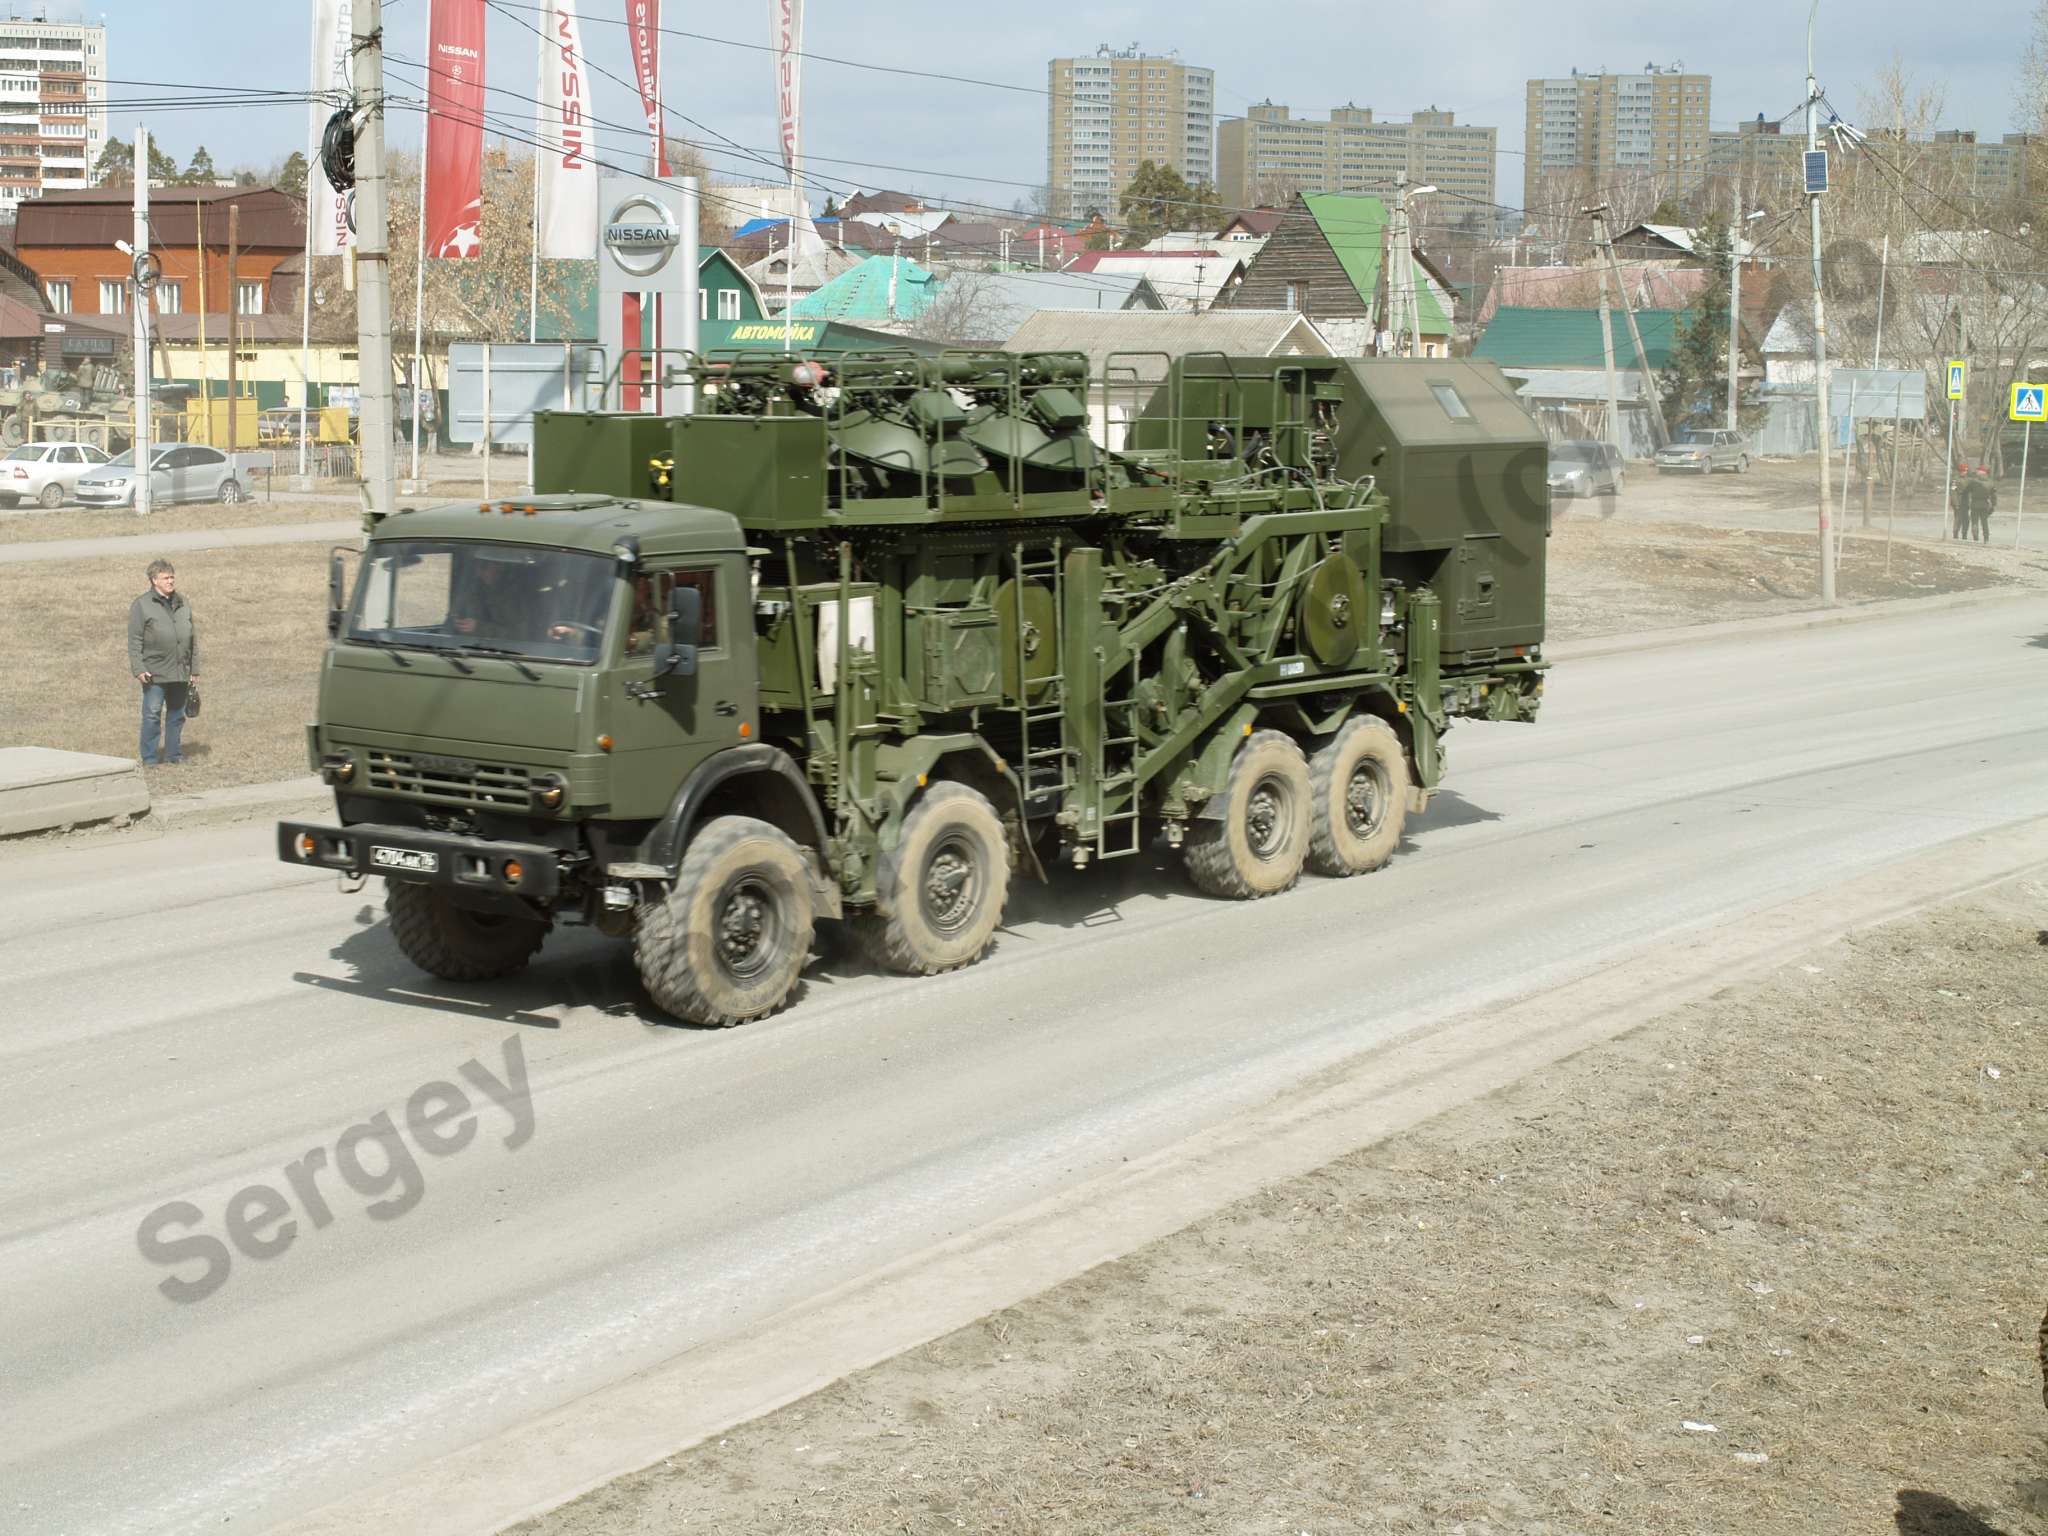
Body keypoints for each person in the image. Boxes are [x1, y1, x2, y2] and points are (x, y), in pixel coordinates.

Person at [128, 558, 198, 766]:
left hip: (180, 671)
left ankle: (173, 754)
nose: (170, 581)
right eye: (165, 577)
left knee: (177, 715)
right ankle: (149, 757)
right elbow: (134, 640)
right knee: (152, 714)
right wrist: (139, 668)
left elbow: (192, 638)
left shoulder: (183, 602)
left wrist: (194, 669)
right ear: (153, 581)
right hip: (154, 672)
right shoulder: (141, 605)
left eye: (172, 577)